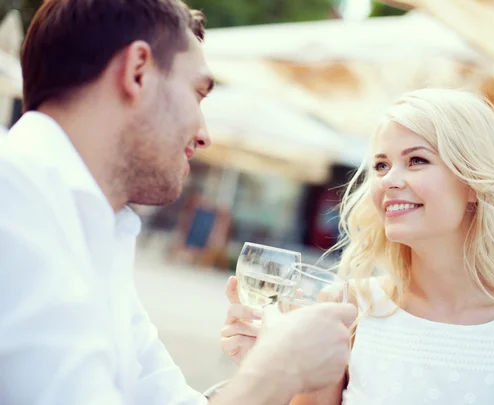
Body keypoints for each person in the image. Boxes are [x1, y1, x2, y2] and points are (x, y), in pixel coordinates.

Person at [0, 1, 357, 404]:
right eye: (197, 92)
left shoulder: (97, 229)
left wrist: (266, 366)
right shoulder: (12, 198)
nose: (205, 135)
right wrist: (279, 368)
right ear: (137, 72)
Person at [220, 88, 494, 405]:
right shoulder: (345, 309)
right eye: (381, 165)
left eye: (417, 160)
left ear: (474, 183)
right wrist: (268, 371)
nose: (389, 180)